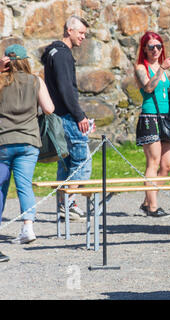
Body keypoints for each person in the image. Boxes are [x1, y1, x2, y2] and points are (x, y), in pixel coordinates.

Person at [0, 44, 55, 245]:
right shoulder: (35, 81)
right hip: (29, 141)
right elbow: (49, 108)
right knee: (24, 186)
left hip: (3, 142)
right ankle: (28, 228)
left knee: (0, 186)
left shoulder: (0, 81)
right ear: (25, 61)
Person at [41, 15, 92, 222]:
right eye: (80, 33)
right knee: (82, 160)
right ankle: (70, 203)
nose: (83, 37)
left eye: (85, 34)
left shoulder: (53, 52)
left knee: (66, 163)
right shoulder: (62, 54)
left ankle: (64, 206)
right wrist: (80, 115)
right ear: (69, 30)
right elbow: (65, 88)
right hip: (67, 116)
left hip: (59, 116)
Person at [134, 31, 170, 217]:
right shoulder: (141, 67)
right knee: (153, 162)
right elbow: (148, 87)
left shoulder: (166, 70)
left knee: (167, 165)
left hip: (167, 118)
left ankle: (148, 201)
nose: (156, 50)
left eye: (159, 46)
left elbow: (167, 94)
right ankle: (153, 207)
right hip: (150, 117)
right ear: (145, 49)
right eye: (151, 47)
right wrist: (161, 68)